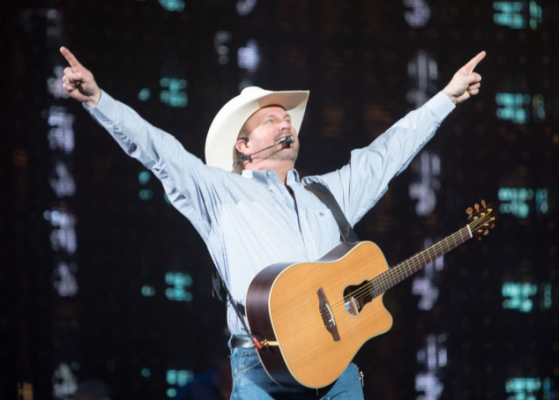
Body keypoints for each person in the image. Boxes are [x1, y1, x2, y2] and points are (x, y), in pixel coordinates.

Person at [59, 46, 485, 399]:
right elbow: (158, 151)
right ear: (243, 146)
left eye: (288, 119)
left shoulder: (326, 192)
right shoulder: (221, 194)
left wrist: (445, 98)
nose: (285, 122)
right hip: (262, 366)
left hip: (335, 371)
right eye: (271, 119)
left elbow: (387, 155)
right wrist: (99, 100)